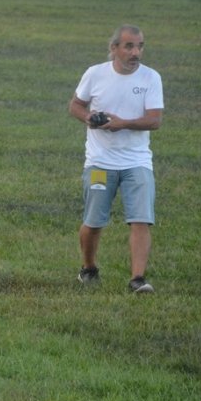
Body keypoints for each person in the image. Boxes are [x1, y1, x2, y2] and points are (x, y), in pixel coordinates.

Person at [69, 25, 164, 294]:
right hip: (100, 162)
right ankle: (88, 268)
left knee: (141, 219)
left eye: (140, 46)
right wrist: (88, 118)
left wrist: (122, 123)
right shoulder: (95, 73)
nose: (136, 52)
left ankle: (137, 279)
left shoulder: (150, 78)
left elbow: (155, 120)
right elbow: (75, 105)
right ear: (114, 49)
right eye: (129, 46)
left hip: (138, 162)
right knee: (94, 221)